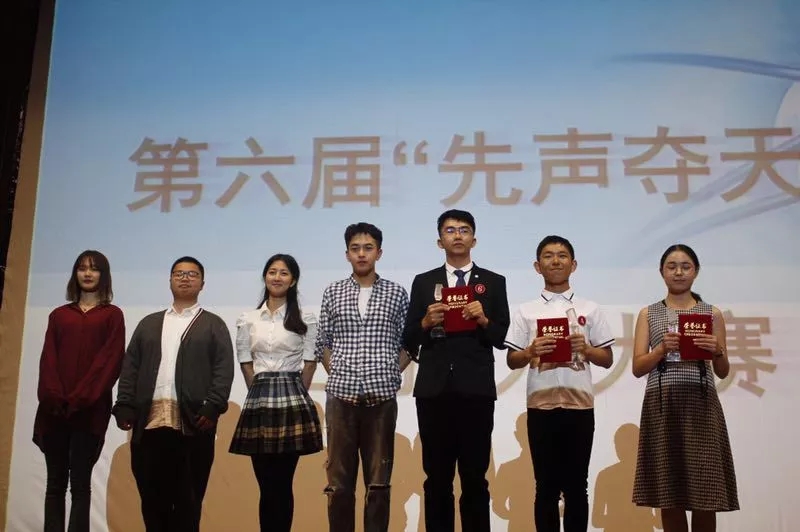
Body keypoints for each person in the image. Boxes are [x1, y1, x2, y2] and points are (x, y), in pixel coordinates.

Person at [403, 209, 510, 532]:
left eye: (464, 230)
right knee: (437, 478)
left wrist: (484, 319)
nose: (457, 235)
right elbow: (408, 337)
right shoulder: (424, 282)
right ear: (440, 241)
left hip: (476, 389)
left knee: (475, 477)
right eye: (450, 230)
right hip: (434, 389)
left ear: (474, 239)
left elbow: (501, 338)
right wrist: (425, 322)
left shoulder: (493, 282)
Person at [112, 256, 234, 532]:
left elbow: (223, 369)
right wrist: (125, 404)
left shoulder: (213, 324)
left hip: (193, 424)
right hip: (149, 426)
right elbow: (130, 367)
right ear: (169, 280)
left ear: (202, 283)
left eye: (192, 274)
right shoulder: (149, 323)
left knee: (189, 503)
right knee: (152, 501)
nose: (185, 278)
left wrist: (213, 405)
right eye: (179, 273)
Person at [504, 235, 615, 532]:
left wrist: (586, 349)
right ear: (537, 266)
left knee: (577, 485)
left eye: (562, 255)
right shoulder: (526, 311)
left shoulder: (590, 308)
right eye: (548, 256)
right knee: (545, 486)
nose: (556, 261)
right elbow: (512, 360)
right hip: (541, 405)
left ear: (573, 264)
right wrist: (530, 351)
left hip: (580, 406)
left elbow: (607, 358)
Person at [631, 244, 739, 532]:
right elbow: (638, 367)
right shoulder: (648, 313)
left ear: (696, 271)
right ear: (661, 272)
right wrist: (660, 350)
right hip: (662, 403)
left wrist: (717, 350)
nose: (678, 272)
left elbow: (723, 371)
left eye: (685, 266)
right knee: (669, 493)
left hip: (702, 405)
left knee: (706, 492)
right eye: (671, 266)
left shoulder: (711, 313)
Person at [316, 222, 410, 532]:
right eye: (355, 248)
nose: (361, 254)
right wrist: (338, 372)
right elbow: (323, 342)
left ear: (379, 253)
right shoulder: (333, 291)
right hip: (340, 398)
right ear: (347, 254)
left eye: (368, 248)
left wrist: (389, 373)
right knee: (339, 485)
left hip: (381, 399)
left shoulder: (396, 293)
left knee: (379, 484)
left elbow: (409, 344)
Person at [228, 253, 323, 532]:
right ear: (265, 277)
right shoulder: (248, 318)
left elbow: (310, 362)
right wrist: (259, 390)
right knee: (265, 484)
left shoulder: (305, 317)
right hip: (259, 399)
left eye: (284, 273)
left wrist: (296, 392)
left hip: (292, 398)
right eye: (272, 272)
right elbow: (245, 361)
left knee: (282, 483)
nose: (277, 277)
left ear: (293, 280)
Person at [33, 250, 126, 532]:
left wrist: (82, 397)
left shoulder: (112, 315)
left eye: (94, 269)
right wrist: (54, 396)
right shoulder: (59, 315)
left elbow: (109, 361)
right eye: (82, 268)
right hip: (54, 410)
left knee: (81, 485)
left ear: (103, 275)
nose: (87, 273)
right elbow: (48, 360)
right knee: (54, 485)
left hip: (89, 411)